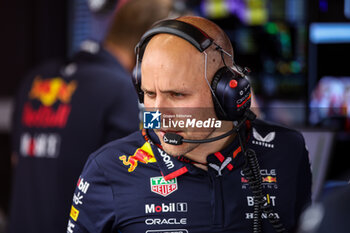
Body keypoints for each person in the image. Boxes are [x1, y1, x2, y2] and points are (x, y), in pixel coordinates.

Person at [67, 16, 312, 233]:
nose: (159, 114)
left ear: (226, 93)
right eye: (150, 94)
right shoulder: (108, 167)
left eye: (177, 95)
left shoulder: (287, 150)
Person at [8, 0, 173, 232]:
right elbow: (137, 184)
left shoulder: (34, 80)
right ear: (152, 42)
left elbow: (17, 161)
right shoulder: (121, 91)